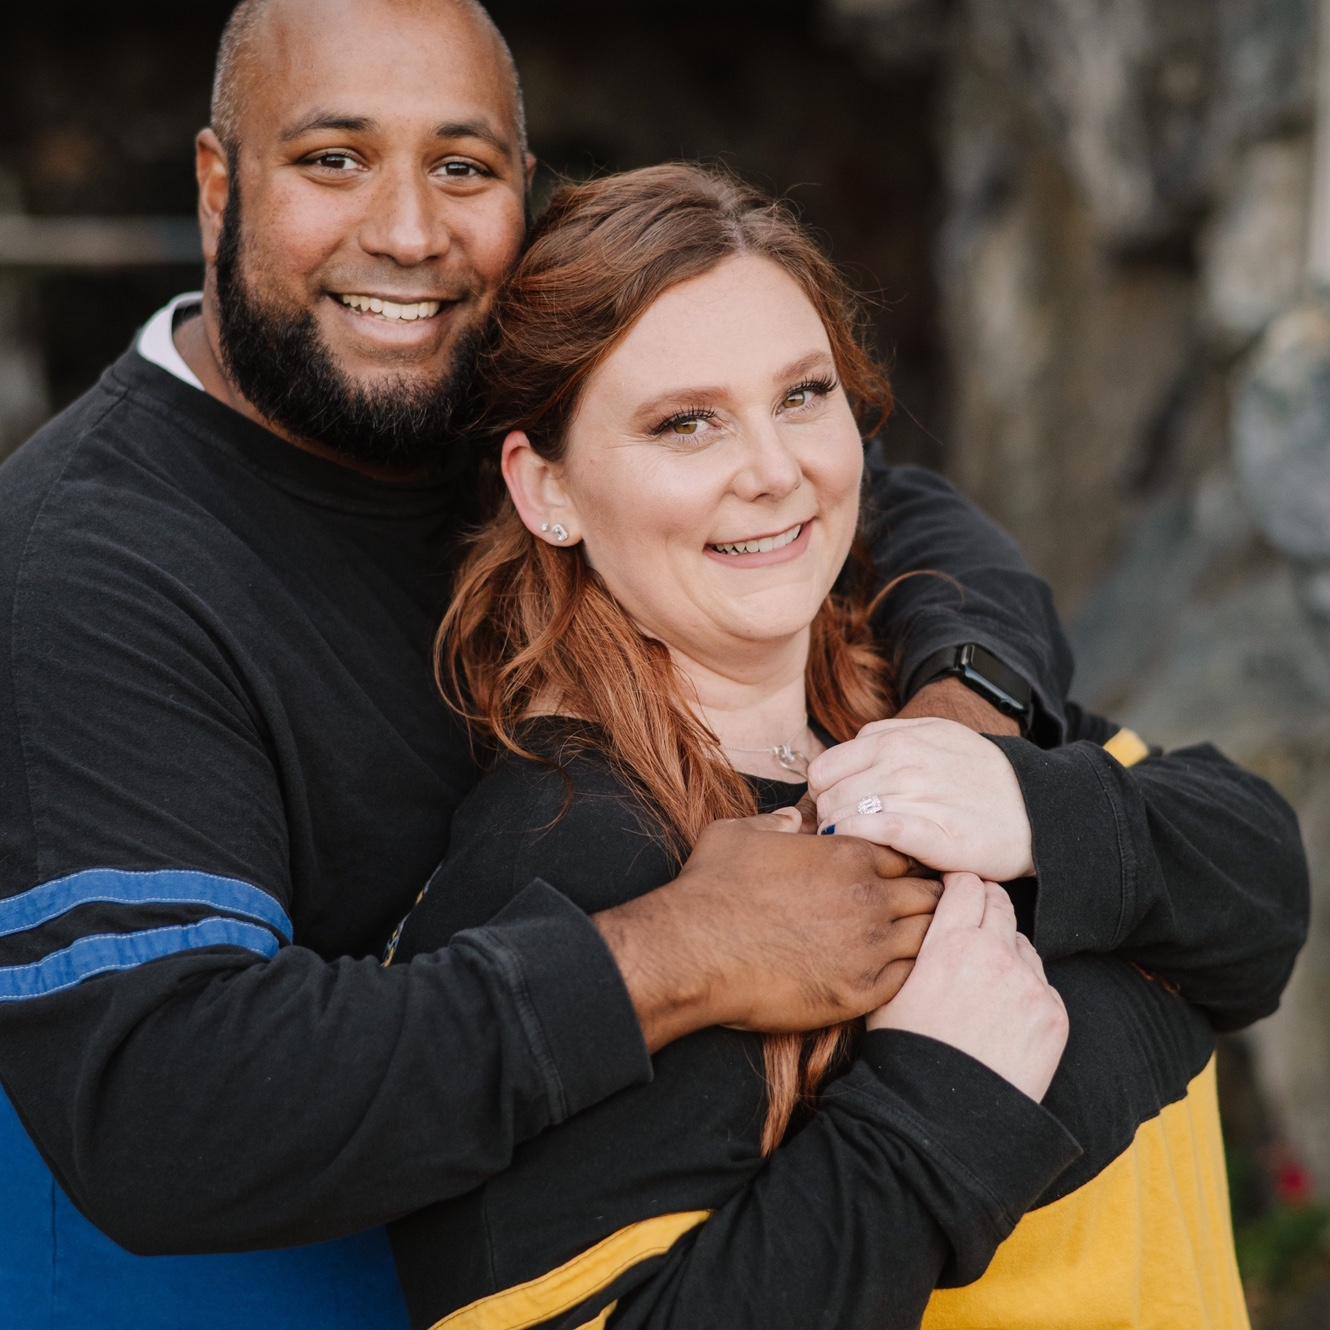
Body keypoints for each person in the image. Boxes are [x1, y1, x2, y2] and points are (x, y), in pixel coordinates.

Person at [0, 3, 1098, 1328]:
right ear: (218, 185)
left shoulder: (493, 386)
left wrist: (954, 732)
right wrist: (680, 952)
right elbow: (169, 1103)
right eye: (334, 159)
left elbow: (890, 512)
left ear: (523, 189)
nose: (409, 232)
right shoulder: (85, 569)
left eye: (461, 167)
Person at [383, 162, 1306, 1330]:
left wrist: (1029, 808)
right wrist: (933, 1111)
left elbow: (1258, 897)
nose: (775, 470)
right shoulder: (572, 861)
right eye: (685, 422)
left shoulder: (920, 695)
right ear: (545, 487)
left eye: (802, 395)